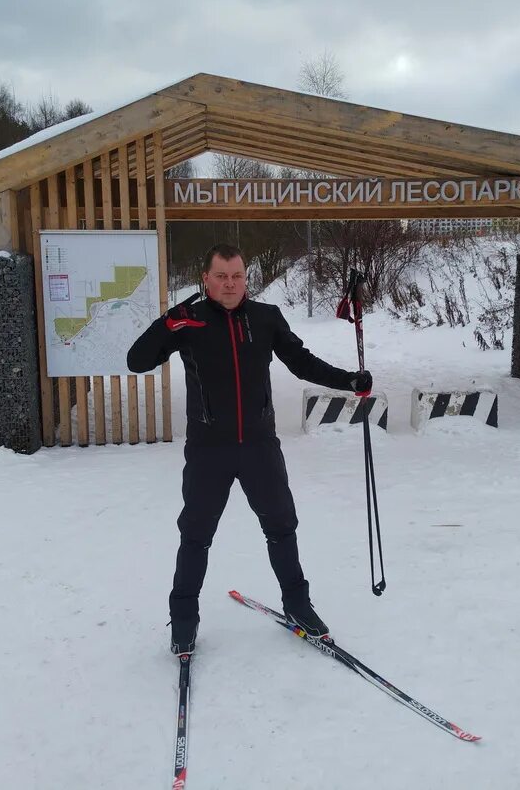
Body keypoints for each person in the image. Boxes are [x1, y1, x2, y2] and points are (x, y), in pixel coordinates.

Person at [127, 243, 372, 655]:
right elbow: (137, 361)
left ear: (246, 278)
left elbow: (302, 362)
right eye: (221, 276)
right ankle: (184, 619)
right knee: (196, 536)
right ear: (205, 279)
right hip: (209, 451)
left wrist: (350, 381)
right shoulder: (189, 322)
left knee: (282, 528)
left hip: (259, 446)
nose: (229, 284)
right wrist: (165, 324)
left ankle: (297, 605)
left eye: (237, 276)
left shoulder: (266, 317)